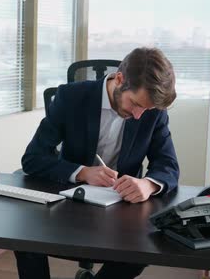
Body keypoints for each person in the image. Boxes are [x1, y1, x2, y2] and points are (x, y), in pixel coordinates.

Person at [14, 47, 180, 279]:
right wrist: (82, 172)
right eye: (135, 104)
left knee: (144, 250)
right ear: (119, 79)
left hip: (121, 208)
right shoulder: (70, 97)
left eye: (147, 108)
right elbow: (33, 158)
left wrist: (148, 184)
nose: (139, 115)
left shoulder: (152, 111)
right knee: (25, 239)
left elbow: (168, 164)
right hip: (68, 203)